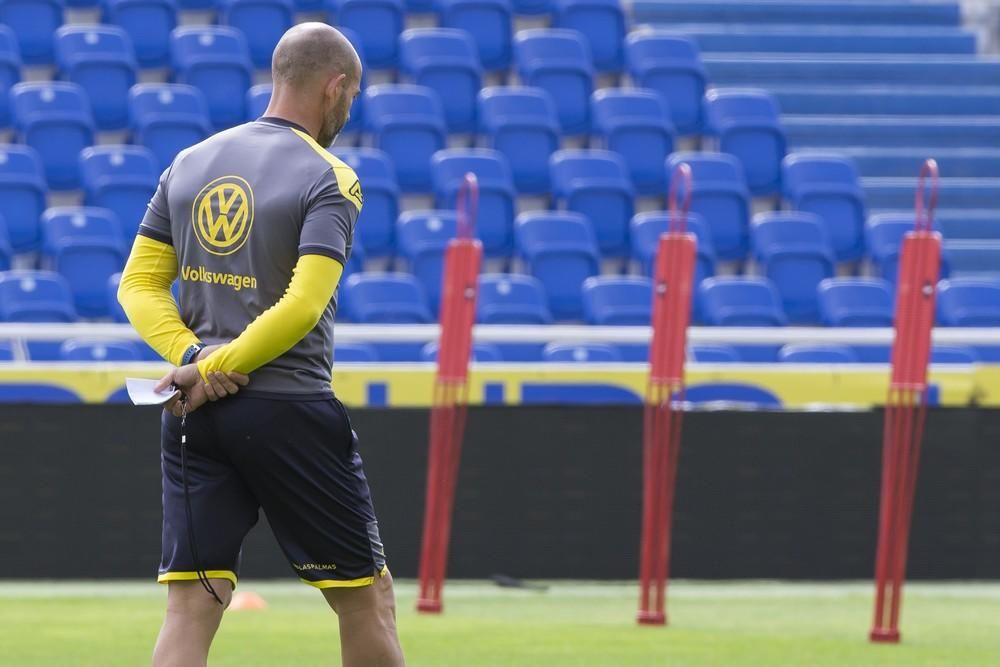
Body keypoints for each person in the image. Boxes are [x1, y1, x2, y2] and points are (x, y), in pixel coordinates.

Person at [117, 23, 405, 667]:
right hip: (288, 408)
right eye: (351, 97)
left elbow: (137, 286)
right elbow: (302, 306)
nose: (349, 110)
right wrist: (214, 366)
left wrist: (194, 362)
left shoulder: (189, 162)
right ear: (335, 87)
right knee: (367, 598)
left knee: (193, 604)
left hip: (195, 416)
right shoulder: (331, 177)